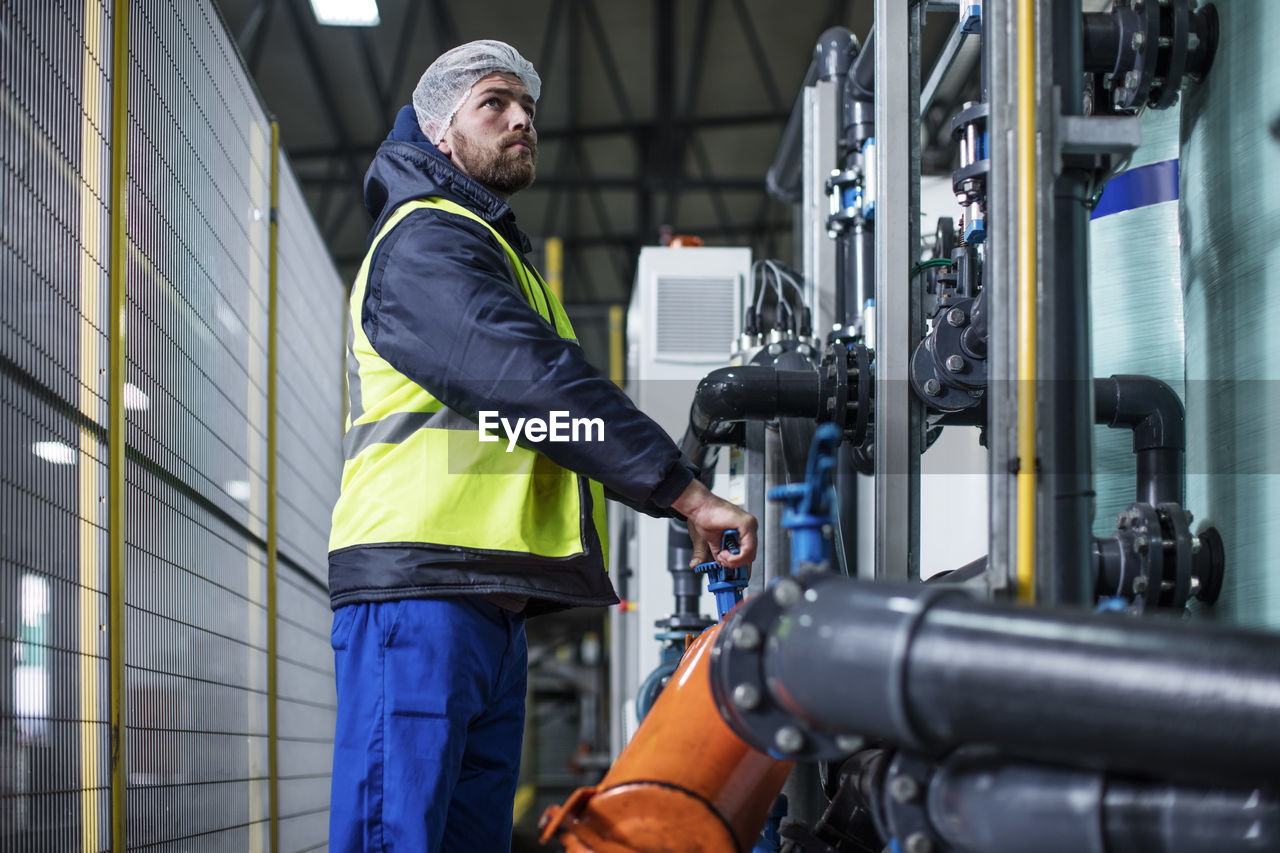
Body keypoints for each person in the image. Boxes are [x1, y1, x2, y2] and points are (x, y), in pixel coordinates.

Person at [327, 40, 757, 852]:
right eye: (495, 103)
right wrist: (681, 491)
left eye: (528, 107)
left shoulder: (490, 251)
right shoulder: (425, 241)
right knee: (398, 836)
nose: (522, 117)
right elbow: (534, 385)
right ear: (440, 129)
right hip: (420, 591)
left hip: (484, 600)